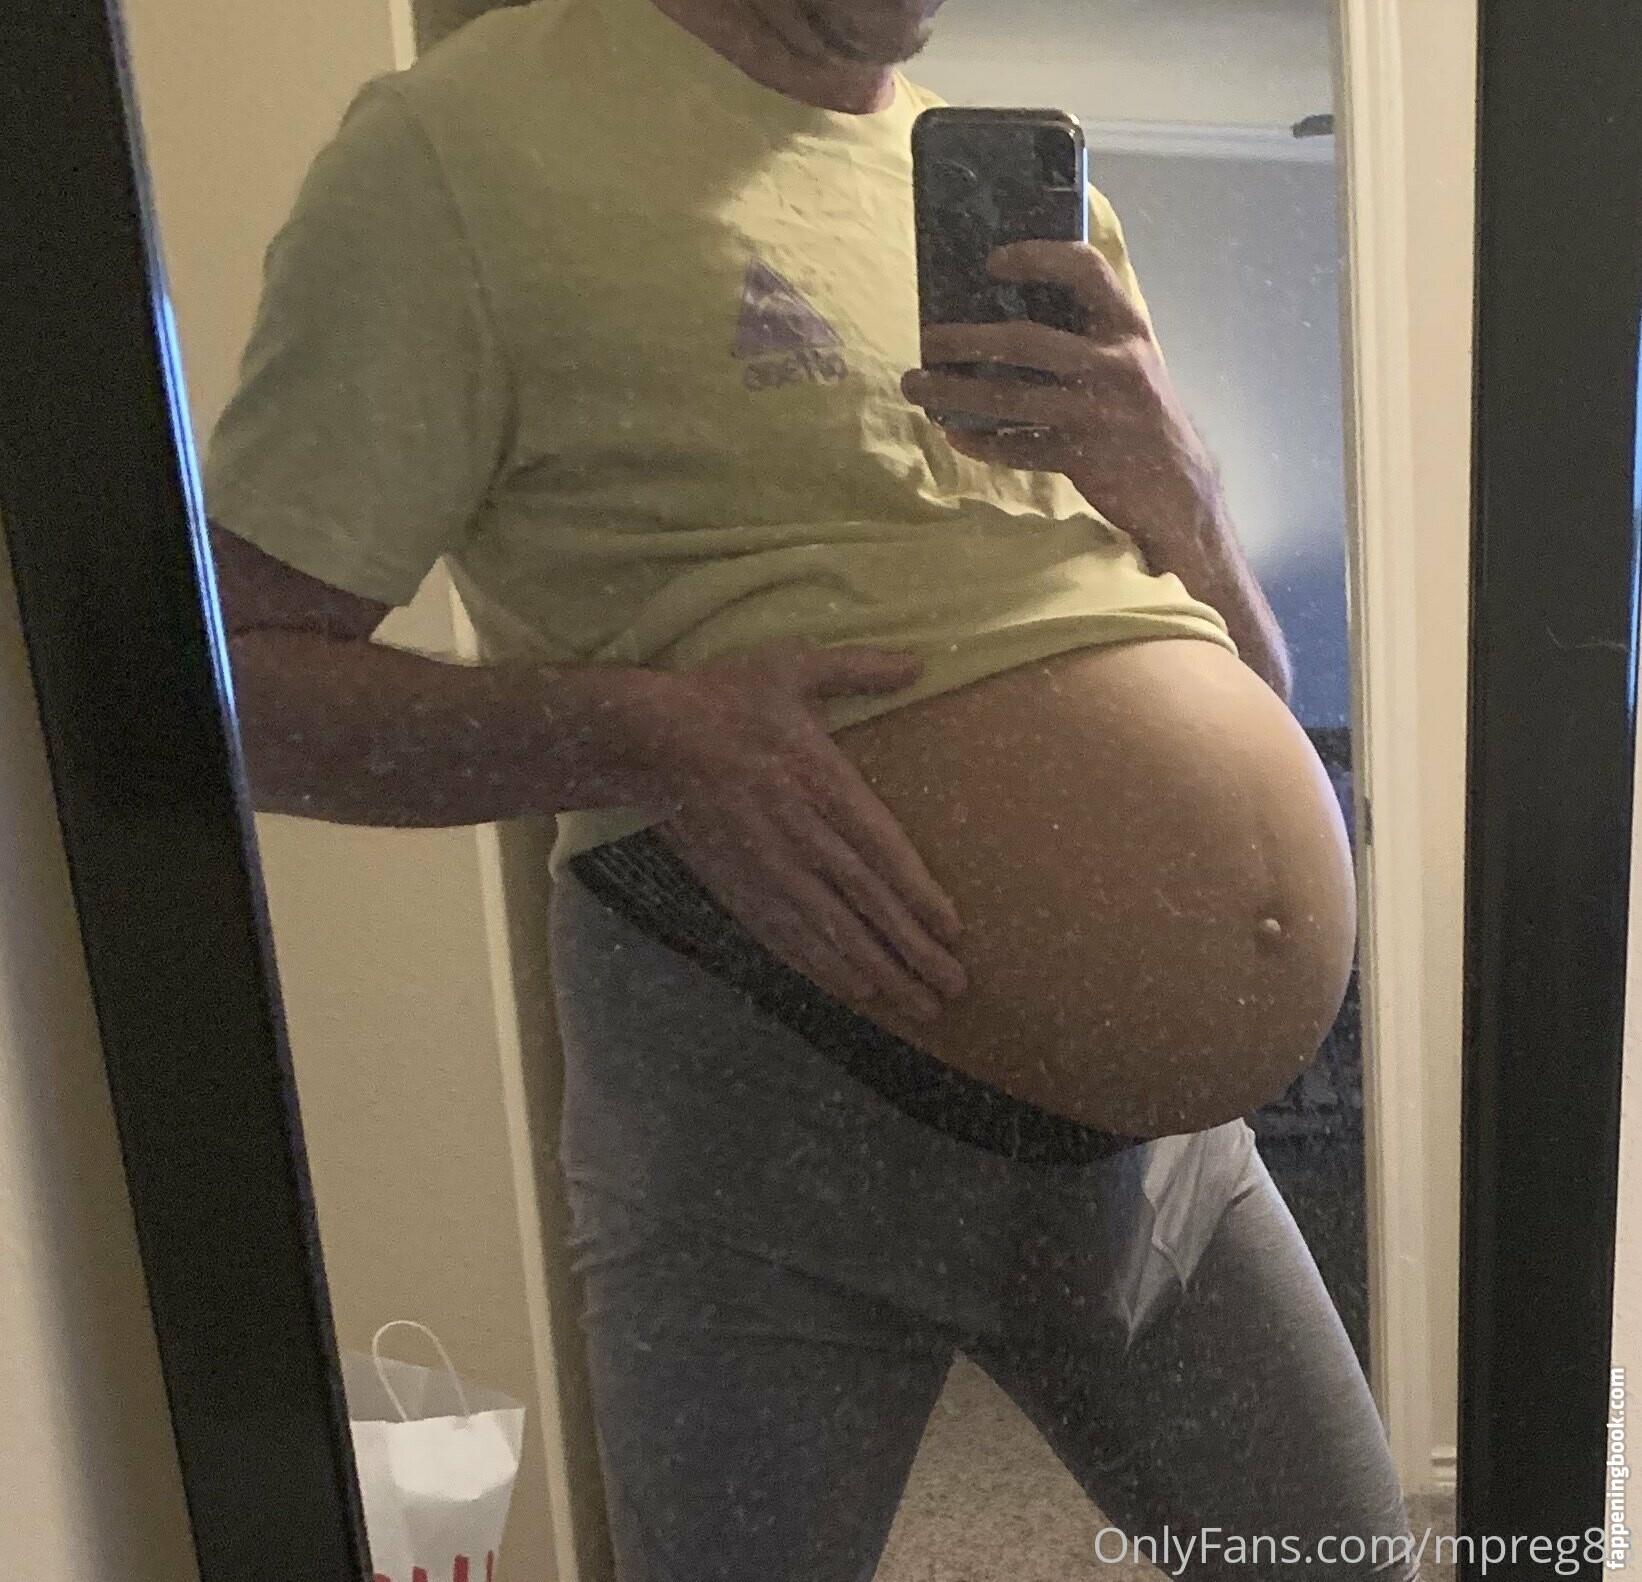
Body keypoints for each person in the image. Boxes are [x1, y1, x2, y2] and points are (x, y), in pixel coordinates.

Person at [205, 0, 1418, 1575]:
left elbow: (1239, 673)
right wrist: (643, 733)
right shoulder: (458, 152)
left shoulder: (1046, 219)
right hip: (774, 1097)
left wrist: (1183, 494)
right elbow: (229, 691)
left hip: (1167, 1160)